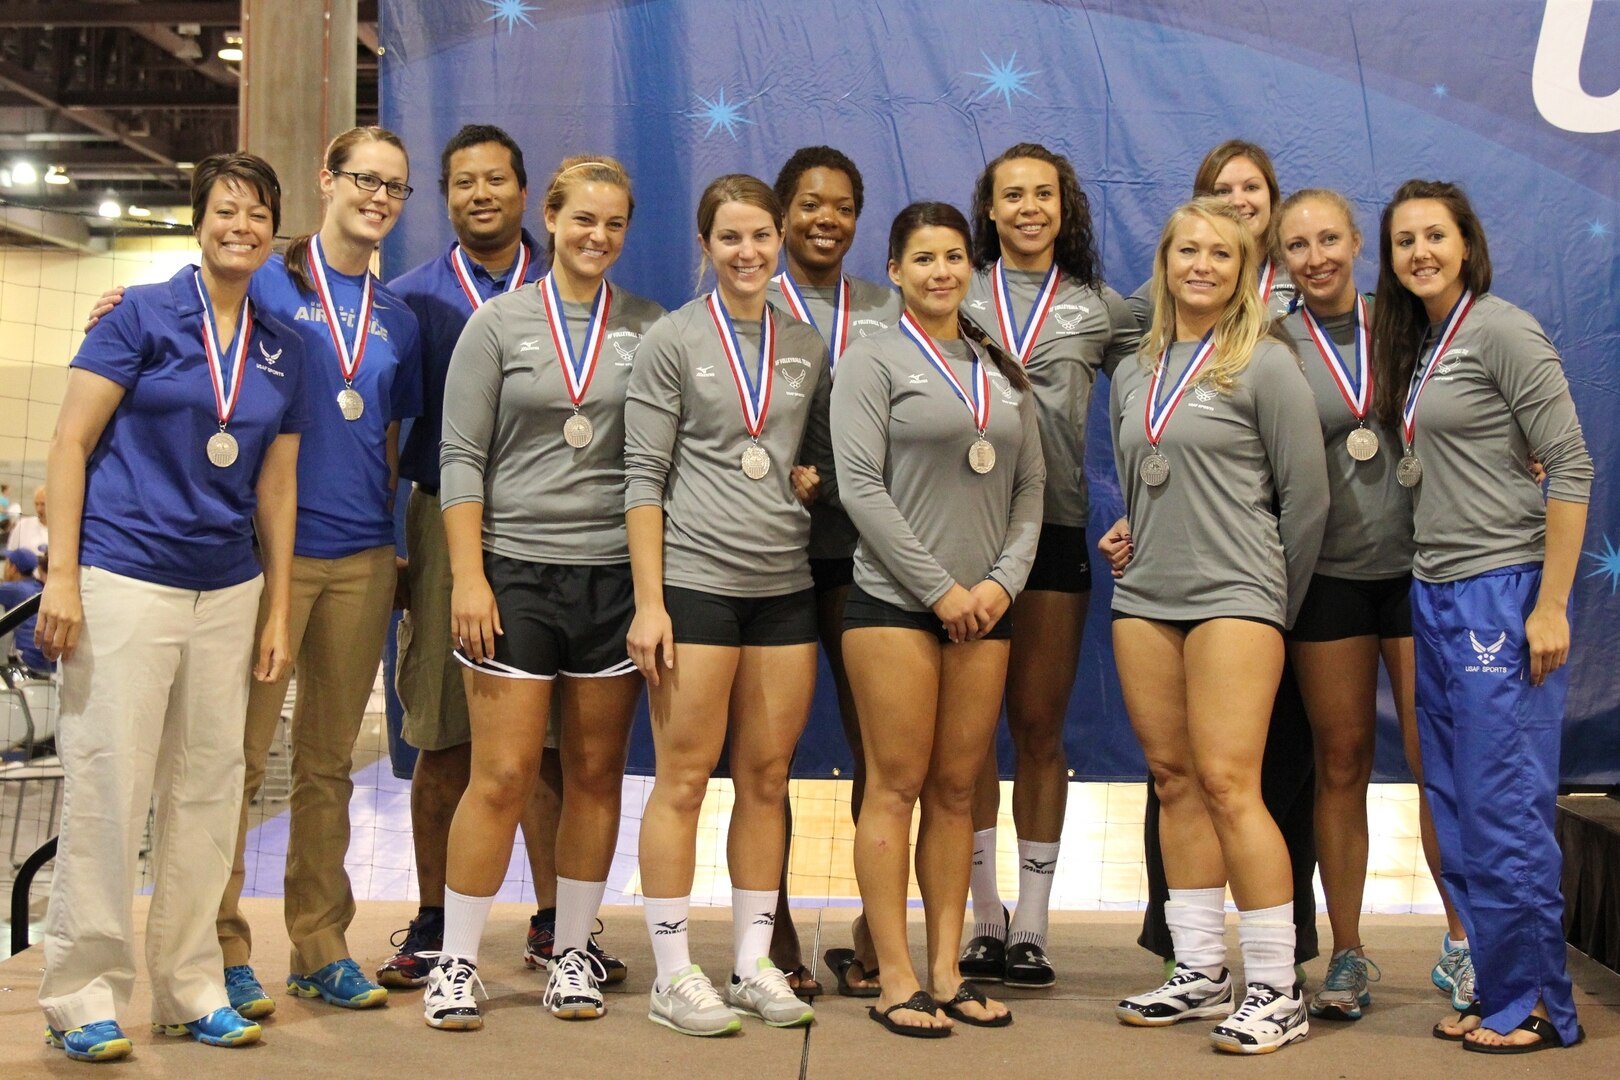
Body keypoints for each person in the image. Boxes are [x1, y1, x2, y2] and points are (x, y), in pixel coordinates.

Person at [33, 152, 304, 1061]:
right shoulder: (140, 315)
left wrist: (276, 608)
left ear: (274, 230)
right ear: (199, 220)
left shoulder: (283, 344)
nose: (242, 226)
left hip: (229, 588)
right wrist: (62, 576)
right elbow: (69, 445)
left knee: (207, 790)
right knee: (110, 787)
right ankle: (82, 996)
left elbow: (277, 488)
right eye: (226, 209)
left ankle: (190, 987)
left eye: (257, 213)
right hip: (124, 576)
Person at [419, 154, 663, 1030]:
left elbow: (664, 462)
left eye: (614, 224)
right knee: (505, 775)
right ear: (549, 219)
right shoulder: (497, 324)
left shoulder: (650, 325)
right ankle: (455, 964)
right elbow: (458, 459)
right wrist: (470, 577)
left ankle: (572, 952)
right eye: (582, 220)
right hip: (514, 574)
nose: (597, 236)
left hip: (612, 579)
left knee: (597, 775)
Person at [379, 124, 619, 993]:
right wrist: (393, 543)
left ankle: (562, 929)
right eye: (462, 183)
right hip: (449, 525)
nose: (480, 194)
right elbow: (388, 428)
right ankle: (439, 920)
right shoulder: (410, 299)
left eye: (496, 181)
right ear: (445, 196)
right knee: (445, 737)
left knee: (556, 750)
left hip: (571, 538)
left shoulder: (594, 296)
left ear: (531, 198)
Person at [1371, 180, 1591, 1053]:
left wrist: (1551, 604)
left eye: (1434, 235)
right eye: (1403, 241)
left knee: (1504, 805)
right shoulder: (1422, 346)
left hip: (1504, 592)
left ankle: (1539, 1003)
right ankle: (1498, 988)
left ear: (1466, 242)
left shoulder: (1501, 328)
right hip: (1435, 593)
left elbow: (1569, 466)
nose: (1419, 252)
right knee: (1458, 802)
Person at [1107, 198, 1328, 1054]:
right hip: (1146, 599)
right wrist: (1130, 530)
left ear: (1244, 271)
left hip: (1238, 596)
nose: (1202, 265)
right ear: (1163, 261)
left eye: (1221, 255)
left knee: (1235, 783)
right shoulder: (1136, 369)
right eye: (1187, 250)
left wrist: (1270, 598)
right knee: (1174, 780)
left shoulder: (1267, 363)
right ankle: (1199, 971)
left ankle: (1277, 988)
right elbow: (1142, 473)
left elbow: (1305, 501)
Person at [212, 127, 422, 1015]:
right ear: (326, 180)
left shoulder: (400, 319)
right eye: (364, 179)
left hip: (362, 559)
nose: (378, 196)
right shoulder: (266, 279)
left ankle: (319, 946)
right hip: (268, 563)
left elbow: (387, 437)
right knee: (231, 758)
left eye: (396, 187)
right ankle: (215, 947)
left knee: (328, 765)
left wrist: (392, 544)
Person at [623, 173, 831, 1037]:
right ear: (706, 248)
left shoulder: (804, 343)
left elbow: (805, 457)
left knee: (768, 779)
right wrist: (649, 604)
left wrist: (809, 482)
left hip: (783, 587)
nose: (748, 253)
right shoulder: (672, 339)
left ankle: (751, 964)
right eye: (730, 238)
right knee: (680, 781)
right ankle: (673, 975)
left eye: (761, 237)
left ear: (780, 240)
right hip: (695, 588)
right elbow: (641, 477)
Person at [835, 201, 1043, 1037]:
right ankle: (893, 975)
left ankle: (949, 970)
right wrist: (939, 590)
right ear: (895, 270)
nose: (941, 272)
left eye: (955, 257)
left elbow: (1029, 489)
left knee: (959, 791)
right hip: (894, 604)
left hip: (985, 608)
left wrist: (1000, 584)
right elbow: (860, 488)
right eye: (922, 258)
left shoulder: (997, 364)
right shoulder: (872, 357)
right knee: (895, 787)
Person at [1273, 188, 1472, 1022]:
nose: (1315, 256)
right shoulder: (1273, 342)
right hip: (1329, 578)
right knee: (1343, 760)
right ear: (1279, 259)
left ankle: (1462, 945)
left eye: (1329, 239)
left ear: (1359, 242)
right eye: (1296, 245)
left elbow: (1474, 409)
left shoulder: (1406, 321)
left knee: (1437, 762)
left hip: (1421, 569)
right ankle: (1348, 954)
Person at [958, 142, 1136, 989]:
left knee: (1036, 725)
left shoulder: (1100, 309)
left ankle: (1031, 924)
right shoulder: (953, 290)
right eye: (1012, 195)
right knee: (964, 735)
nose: (1029, 208)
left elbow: (1200, 351)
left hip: (1057, 532)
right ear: (987, 210)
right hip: (963, 535)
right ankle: (980, 912)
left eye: (1044, 194)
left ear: (1065, 209)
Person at [766, 145, 900, 999]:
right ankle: (768, 927)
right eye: (811, 204)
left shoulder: (892, 307)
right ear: (782, 214)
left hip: (870, 558)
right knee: (764, 759)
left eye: (843, 206)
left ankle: (876, 928)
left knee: (882, 756)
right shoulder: (745, 300)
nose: (827, 219)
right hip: (769, 556)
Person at [0, 547, 49, 675]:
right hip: (48, 659)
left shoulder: (13, 589)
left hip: (27, 659)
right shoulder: (38, 585)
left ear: (13, 568)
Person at [7, 485, 48, 555]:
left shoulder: (64, 531)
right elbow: (10, 556)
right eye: (36, 504)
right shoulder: (22, 526)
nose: (38, 509)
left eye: (43, 504)